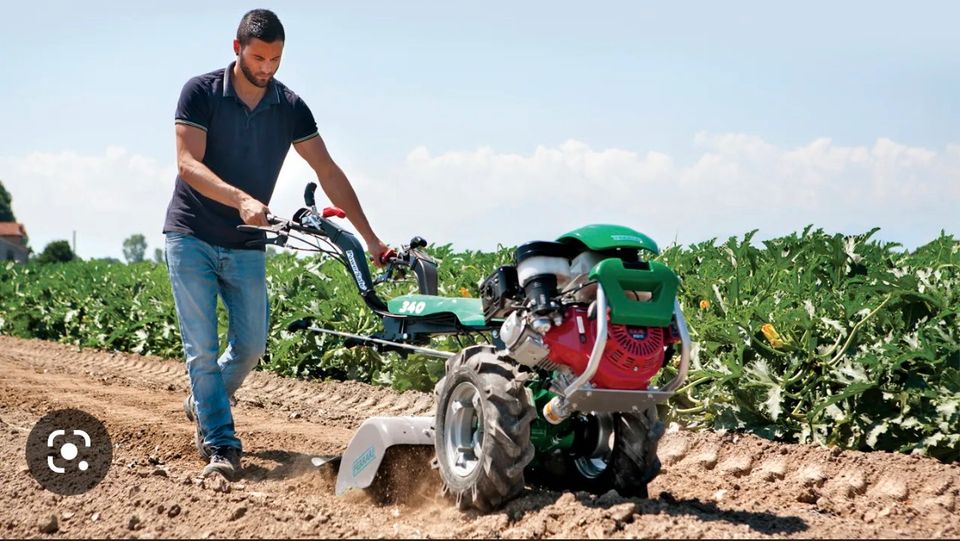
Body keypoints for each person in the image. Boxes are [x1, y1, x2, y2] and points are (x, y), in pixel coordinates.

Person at [162, 8, 389, 481]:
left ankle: (204, 404)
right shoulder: (200, 92)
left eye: (276, 59)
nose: (267, 68)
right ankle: (222, 446)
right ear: (237, 48)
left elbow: (327, 171)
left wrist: (370, 238)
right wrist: (241, 198)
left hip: (246, 243)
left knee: (250, 346)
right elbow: (187, 164)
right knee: (202, 351)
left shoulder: (289, 106)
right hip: (191, 235)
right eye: (259, 57)